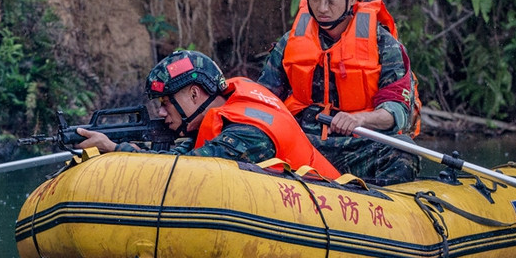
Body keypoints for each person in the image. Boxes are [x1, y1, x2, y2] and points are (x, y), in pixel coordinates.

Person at [257, 0, 421, 184]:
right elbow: (264, 98)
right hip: (301, 142)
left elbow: (397, 112)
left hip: (357, 144)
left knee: (404, 152)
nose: (322, 8)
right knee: (253, 137)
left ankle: (372, 200)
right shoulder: (290, 42)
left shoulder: (384, 45)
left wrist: (359, 119)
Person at [76, 50, 341, 180]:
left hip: (329, 210)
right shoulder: (226, 110)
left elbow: (185, 168)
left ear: (194, 94)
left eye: (166, 102)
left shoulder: (248, 131)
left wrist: (114, 149)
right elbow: (181, 154)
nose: (161, 112)